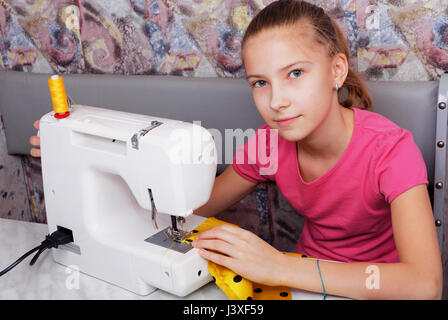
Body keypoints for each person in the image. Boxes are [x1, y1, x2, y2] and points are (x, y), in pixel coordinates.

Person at [30, 0, 442, 299]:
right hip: (300, 282)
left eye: (295, 73)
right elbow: (195, 208)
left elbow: (424, 284)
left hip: (379, 287)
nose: (276, 100)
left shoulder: (391, 152)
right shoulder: (267, 145)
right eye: (260, 82)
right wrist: (74, 155)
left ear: (336, 71)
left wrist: (281, 266)